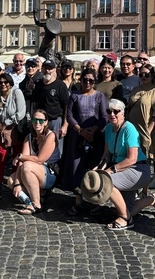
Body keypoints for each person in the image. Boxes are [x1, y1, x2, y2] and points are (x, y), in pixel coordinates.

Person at [91, 99, 155, 230]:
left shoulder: (129, 129)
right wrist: (97, 169)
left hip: (138, 170)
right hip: (122, 170)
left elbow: (132, 159)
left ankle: (126, 219)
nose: (112, 114)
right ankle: (153, 199)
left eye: (116, 111)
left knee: (108, 183)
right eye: (109, 111)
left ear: (122, 113)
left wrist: (109, 171)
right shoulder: (108, 129)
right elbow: (107, 155)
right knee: (129, 209)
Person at [63, 68, 108, 214]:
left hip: (95, 137)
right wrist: (81, 131)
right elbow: (69, 115)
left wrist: (92, 131)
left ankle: (93, 199)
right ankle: (78, 200)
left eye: (91, 80)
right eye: (85, 80)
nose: (87, 83)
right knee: (77, 166)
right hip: (77, 136)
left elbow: (104, 116)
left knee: (92, 166)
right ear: (80, 80)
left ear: (95, 81)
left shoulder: (100, 96)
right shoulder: (74, 95)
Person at [9, 110, 61, 215]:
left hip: (50, 173)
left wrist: (20, 156)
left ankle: (36, 204)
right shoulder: (28, 137)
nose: (37, 123)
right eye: (35, 120)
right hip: (33, 171)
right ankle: (33, 198)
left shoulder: (50, 136)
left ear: (46, 122)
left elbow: (40, 159)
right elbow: (21, 161)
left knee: (27, 166)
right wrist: (17, 183)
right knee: (11, 180)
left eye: (41, 121)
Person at [127, 64, 155, 189]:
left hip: (147, 129)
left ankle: (144, 188)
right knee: (133, 157)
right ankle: (134, 184)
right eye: (141, 74)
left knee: (146, 158)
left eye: (147, 74)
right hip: (132, 129)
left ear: (152, 75)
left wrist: (149, 130)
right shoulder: (135, 89)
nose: (143, 76)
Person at [33, 59, 70, 149]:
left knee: (56, 147)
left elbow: (67, 106)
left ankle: (55, 163)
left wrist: (65, 125)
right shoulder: (38, 85)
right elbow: (36, 104)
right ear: (41, 69)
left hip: (55, 121)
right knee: (41, 146)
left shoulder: (60, 85)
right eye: (45, 68)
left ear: (54, 70)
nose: (47, 71)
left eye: (50, 68)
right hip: (41, 122)